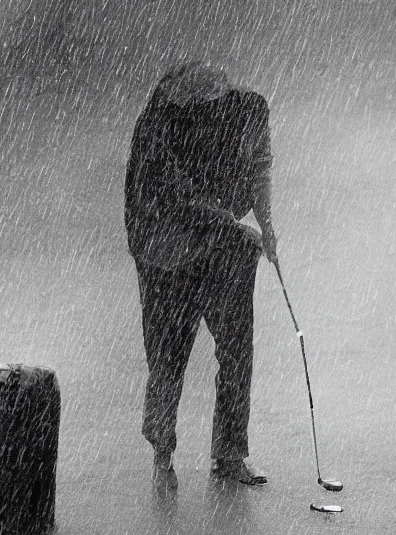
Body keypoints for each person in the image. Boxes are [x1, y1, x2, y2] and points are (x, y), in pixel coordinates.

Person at [124, 62, 278, 489]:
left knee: (236, 351)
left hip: (224, 246)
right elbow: (176, 198)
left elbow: (260, 163)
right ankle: (162, 452)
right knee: (168, 355)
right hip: (165, 253)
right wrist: (234, 225)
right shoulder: (156, 129)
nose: (206, 114)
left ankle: (230, 454)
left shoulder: (247, 109)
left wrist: (267, 227)